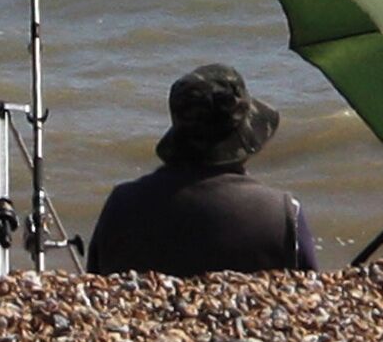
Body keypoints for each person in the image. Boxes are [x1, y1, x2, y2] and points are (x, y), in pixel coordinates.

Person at [86, 63, 320, 277]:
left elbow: (96, 278)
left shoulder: (121, 205)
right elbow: (309, 290)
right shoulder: (282, 215)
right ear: (243, 138)